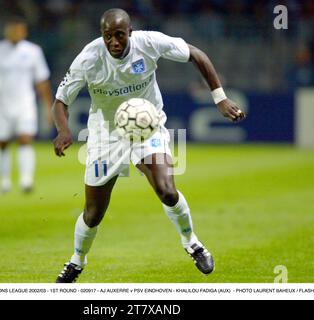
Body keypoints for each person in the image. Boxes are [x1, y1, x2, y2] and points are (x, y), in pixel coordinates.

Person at [52, 8, 245, 283]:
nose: (114, 42)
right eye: (108, 36)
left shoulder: (149, 43)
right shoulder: (88, 58)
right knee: (93, 213)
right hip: (106, 136)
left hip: (147, 128)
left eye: (119, 35)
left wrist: (220, 98)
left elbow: (195, 54)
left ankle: (192, 243)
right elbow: (61, 101)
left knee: (167, 190)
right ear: (102, 35)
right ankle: (77, 262)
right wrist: (63, 130)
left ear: (130, 32)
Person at [0, 16, 53, 193]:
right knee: (2, 142)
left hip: (25, 103)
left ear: (24, 31)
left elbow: (42, 82)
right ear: (6, 30)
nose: (15, 32)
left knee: (25, 139)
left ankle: (26, 180)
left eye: (19, 29)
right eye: (12, 29)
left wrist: (48, 106)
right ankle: (3, 181)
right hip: (0, 103)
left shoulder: (33, 51)